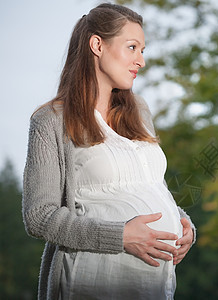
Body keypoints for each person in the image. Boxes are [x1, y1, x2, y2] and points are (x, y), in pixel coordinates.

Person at [22, 3, 195, 299]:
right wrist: (121, 236)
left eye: (143, 50)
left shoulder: (138, 111)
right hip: (89, 282)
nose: (140, 60)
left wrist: (182, 221)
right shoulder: (50, 121)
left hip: (151, 285)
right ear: (97, 45)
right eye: (132, 47)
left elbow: (150, 184)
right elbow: (39, 216)